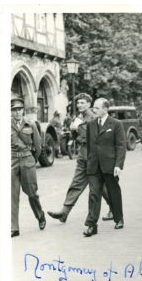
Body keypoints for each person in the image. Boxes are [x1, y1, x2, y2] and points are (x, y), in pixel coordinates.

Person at [47, 93, 113, 224]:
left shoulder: (94, 117)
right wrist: (73, 129)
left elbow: (94, 137)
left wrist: (78, 126)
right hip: (83, 154)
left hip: (95, 154)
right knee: (76, 182)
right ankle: (64, 212)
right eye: (78, 103)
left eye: (83, 102)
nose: (79, 105)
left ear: (89, 104)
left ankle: (114, 207)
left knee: (101, 186)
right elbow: (76, 136)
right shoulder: (79, 117)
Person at [83, 98, 126, 237]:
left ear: (105, 109)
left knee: (113, 192)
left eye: (96, 108)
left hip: (110, 166)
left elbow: (121, 146)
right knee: (94, 194)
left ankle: (119, 218)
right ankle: (91, 225)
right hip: (94, 166)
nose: (93, 110)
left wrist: (118, 165)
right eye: (93, 108)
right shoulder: (90, 125)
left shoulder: (116, 124)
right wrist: (89, 162)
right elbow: (90, 146)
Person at [11, 97, 46, 237]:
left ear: (23, 111)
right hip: (12, 160)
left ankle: (40, 215)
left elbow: (38, 146)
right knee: (12, 195)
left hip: (27, 160)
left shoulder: (30, 125)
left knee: (32, 192)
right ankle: (14, 227)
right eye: (14, 110)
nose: (17, 112)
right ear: (11, 112)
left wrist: (32, 160)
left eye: (19, 109)